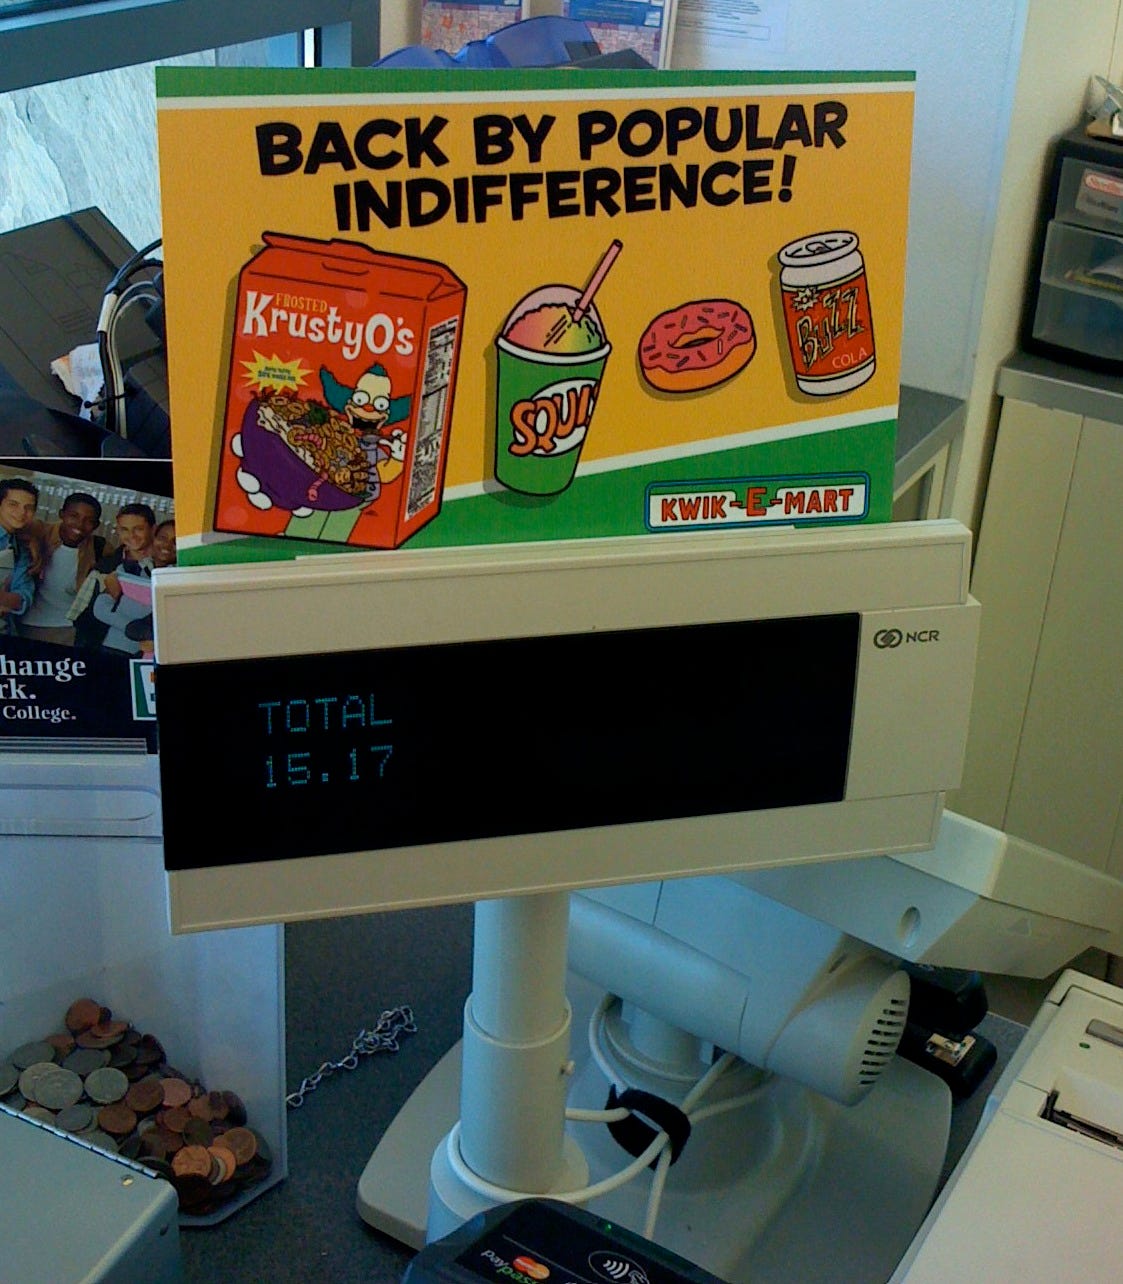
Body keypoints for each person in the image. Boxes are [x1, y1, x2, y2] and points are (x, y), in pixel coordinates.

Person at [18, 492, 106, 647]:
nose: (79, 524)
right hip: (25, 621)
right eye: (74, 516)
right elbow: (12, 531)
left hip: (66, 629)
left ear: (96, 525)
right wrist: (32, 542)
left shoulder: (100, 548)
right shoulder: (39, 531)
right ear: (61, 514)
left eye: (88, 521)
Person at [71, 502, 158, 650]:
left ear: (153, 529)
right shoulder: (104, 568)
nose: (131, 536)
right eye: (124, 529)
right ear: (117, 530)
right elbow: (80, 617)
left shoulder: (165, 566)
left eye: (138, 529)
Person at [0, 477, 43, 636]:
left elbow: (24, 594)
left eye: (29, 507)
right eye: (13, 504)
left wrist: (6, 599)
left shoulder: (21, 549)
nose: (21, 513)